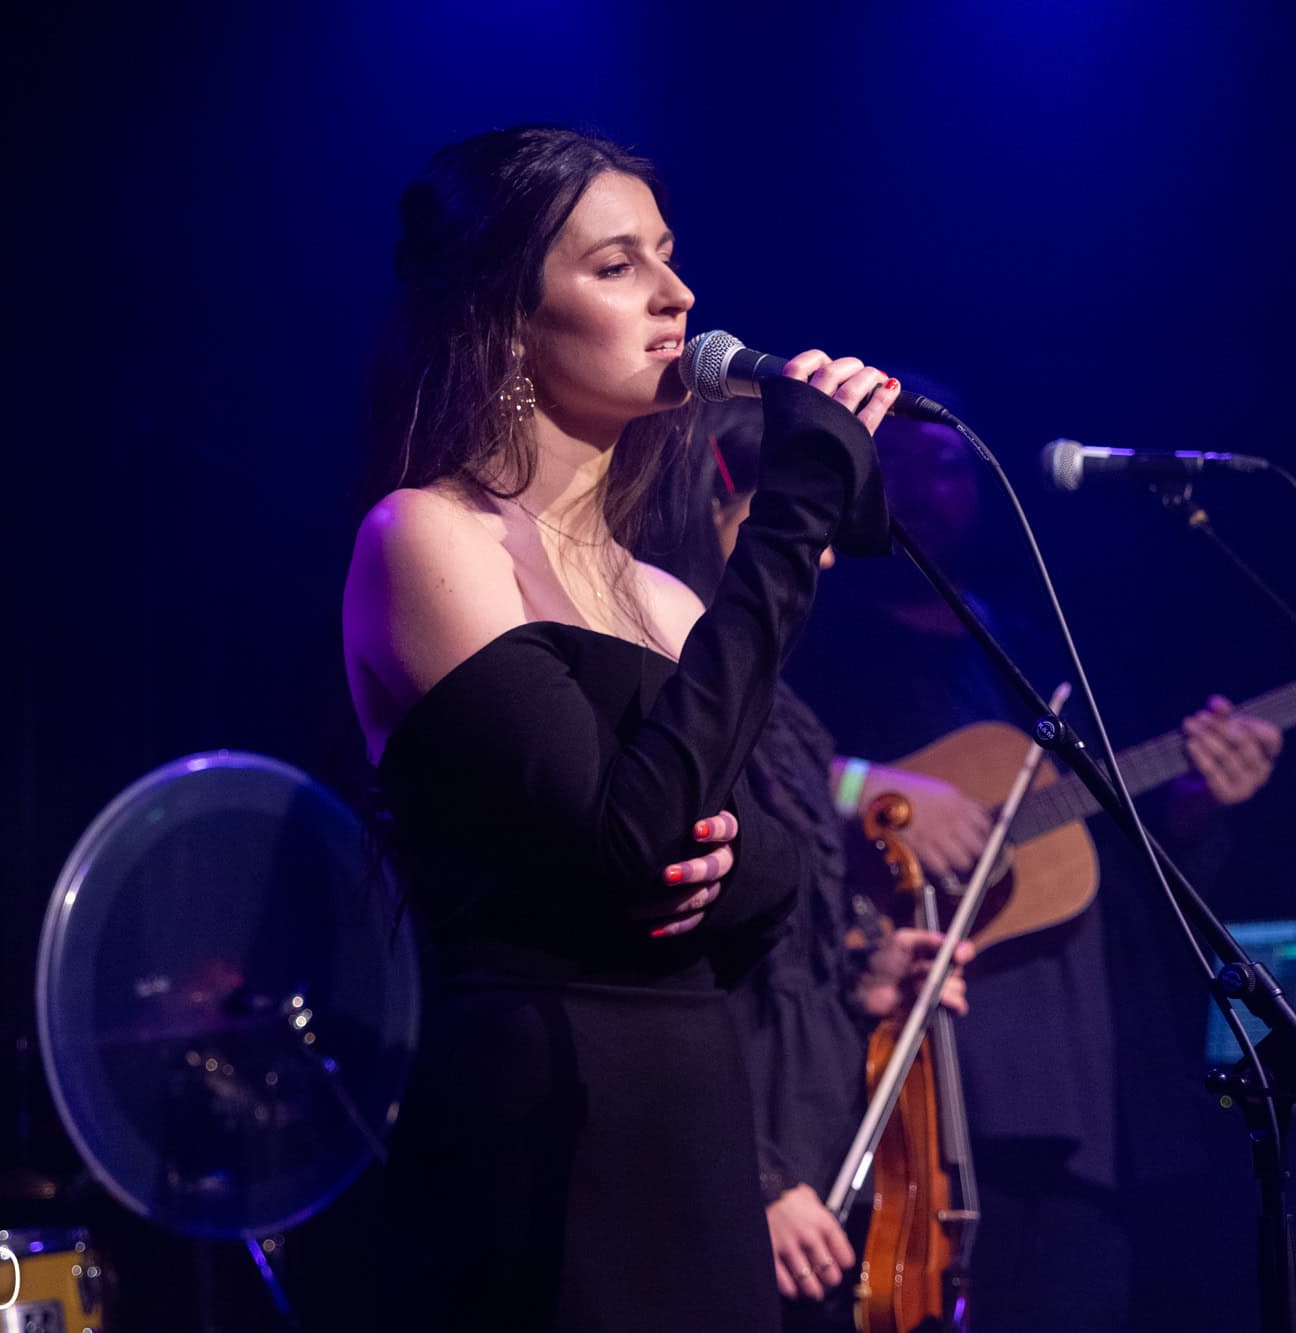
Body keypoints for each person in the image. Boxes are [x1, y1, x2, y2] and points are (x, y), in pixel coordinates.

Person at [340, 125, 903, 1332]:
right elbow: (624, 847)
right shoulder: (428, 538)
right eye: (615, 264)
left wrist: (725, 856)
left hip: (695, 1125)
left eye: (667, 253)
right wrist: (787, 526)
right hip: (543, 1128)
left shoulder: (667, 600)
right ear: (504, 321)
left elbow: (763, 886)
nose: (676, 293)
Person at [679, 397, 1283, 1330]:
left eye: (951, 466)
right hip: (945, 1063)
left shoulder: (1032, 639)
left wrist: (1200, 805)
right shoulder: (810, 633)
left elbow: (1112, 852)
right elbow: (762, 781)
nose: (932, 489)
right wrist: (866, 783)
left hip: (1085, 1061)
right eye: (905, 467)